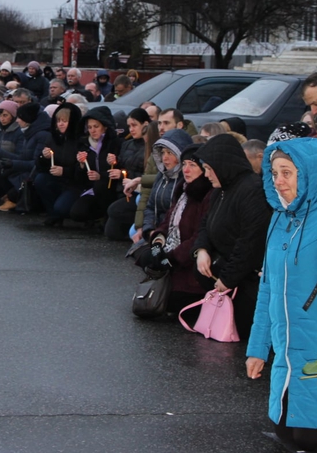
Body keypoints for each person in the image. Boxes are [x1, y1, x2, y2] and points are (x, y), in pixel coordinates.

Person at [245, 137, 317, 452]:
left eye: (287, 173)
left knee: (314, 436)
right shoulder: (280, 217)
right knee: (287, 433)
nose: (278, 182)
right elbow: (267, 287)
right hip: (286, 352)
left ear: (310, 173)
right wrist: (258, 348)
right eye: (274, 173)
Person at [191, 134, 272, 341]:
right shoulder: (221, 189)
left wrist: (228, 278)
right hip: (225, 274)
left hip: (245, 281)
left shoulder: (252, 190)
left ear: (223, 165)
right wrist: (202, 250)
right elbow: (206, 223)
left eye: (209, 169)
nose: (206, 174)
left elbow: (250, 242)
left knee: (241, 336)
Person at [135, 143, 213, 312]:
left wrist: (170, 258)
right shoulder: (183, 190)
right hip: (172, 253)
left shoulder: (206, 195)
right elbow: (167, 222)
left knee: (168, 303)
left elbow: (198, 236)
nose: (186, 170)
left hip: (188, 264)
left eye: (192, 165)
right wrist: (157, 242)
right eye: (184, 164)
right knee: (147, 258)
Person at [0, 102, 50, 212]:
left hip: (33, 176)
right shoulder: (30, 132)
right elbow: (23, 157)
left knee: (6, 178)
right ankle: (11, 196)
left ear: (28, 118)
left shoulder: (42, 135)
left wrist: (12, 163)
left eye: (20, 117)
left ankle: (14, 198)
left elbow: (36, 163)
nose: (17, 120)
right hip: (24, 171)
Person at [69, 106, 123, 225]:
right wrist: (82, 165)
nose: (92, 130)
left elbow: (122, 168)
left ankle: (107, 218)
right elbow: (78, 179)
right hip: (91, 190)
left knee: (101, 185)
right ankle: (99, 217)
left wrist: (104, 173)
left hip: (111, 188)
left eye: (96, 127)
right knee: (76, 213)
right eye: (89, 127)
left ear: (104, 127)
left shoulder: (115, 143)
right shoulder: (84, 145)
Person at [35, 102, 85, 226]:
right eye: (58, 120)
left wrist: (65, 171)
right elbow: (40, 166)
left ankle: (60, 211)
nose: (60, 124)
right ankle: (53, 213)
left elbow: (83, 170)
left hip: (74, 184)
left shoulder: (81, 141)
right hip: (57, 180)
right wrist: (44, 157)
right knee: (40, 180)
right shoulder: (53, 138)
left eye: (65, 120)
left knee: (62, 208)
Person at [103, 107, 150, 240]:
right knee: (111, 232)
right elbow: (123, 164)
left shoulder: (150, 146)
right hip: (123, 189)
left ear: (145, 124)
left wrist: (127, 174)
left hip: (138, 191)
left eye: (134, 125)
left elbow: (146, 171)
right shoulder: (127, 144)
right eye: (129, 126)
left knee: (115, 211)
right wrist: (114, 162)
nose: (131, 129)